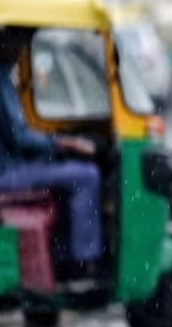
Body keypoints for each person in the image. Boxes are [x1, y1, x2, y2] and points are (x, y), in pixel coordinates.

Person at [0, 26, 103, 272]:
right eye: (20, 42)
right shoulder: (1, 79)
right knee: (87, 176)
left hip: (10, 165)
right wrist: (62, 143)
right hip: (8, 172)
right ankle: (82, 262)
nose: (21, 51)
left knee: (65, 173)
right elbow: (19, 137)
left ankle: (65, 254)